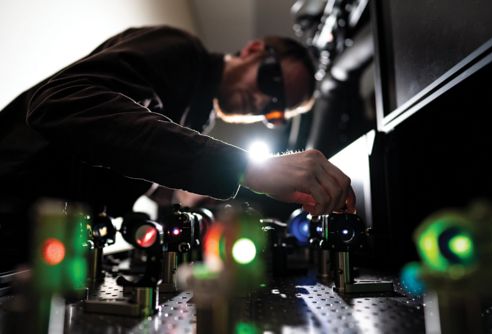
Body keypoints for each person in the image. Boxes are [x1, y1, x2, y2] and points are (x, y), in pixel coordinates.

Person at [0, 25, 355, 269]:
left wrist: (176, 198)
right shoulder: (182, 51)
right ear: (253, 50)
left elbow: (117, 155)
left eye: (273, 110)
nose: (261, 100)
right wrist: (247, 167)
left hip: (31, 251)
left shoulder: (191, 118)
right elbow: (62, 102)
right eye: (271, 81)